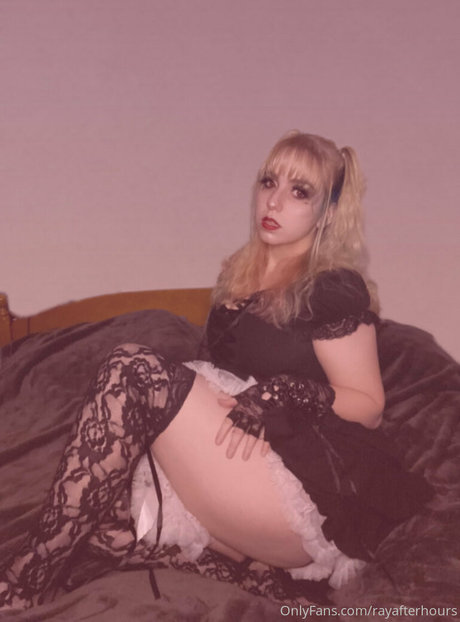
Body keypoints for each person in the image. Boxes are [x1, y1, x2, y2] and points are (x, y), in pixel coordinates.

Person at [0, 131, 432, 610]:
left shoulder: (331, 287)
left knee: (133, 369)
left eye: (299, 191)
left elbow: (369, 406)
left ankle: (21, 585)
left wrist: (284, 392)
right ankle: (249, 573)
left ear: (327, 212)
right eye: (269, 182)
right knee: (96, 516)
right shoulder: (238, 279)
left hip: (297, 490)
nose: (274, 201)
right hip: (232, 479)